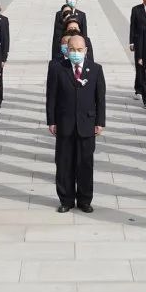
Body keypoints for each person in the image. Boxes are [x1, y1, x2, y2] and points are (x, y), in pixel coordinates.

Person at [46, 35, 105, 213]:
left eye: (80, 50)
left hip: (87, 123)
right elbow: (51, 97)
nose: (76, 53)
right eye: (72, 49)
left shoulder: (95, 69)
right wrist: (51, 120)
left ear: (86, 50)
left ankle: (85, 200)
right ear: (66, 50)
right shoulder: (57, 68)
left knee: (85, 164)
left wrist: (100, 122)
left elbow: (100, 98)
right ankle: (66, 199)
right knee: (64, 164)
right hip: (65, 123)